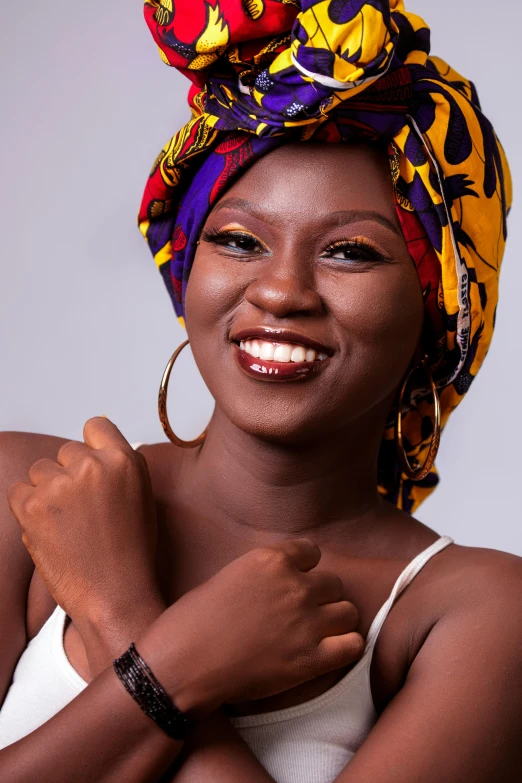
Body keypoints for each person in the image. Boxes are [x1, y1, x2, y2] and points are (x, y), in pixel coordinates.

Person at [0, 1, 519, 781]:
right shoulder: (33, 497)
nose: (279, 291)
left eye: (349, 252)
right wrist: (175, 659)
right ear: (188, 268)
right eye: (239, 239)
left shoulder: (473, 613)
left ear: (439, 305)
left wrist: (127, 615)